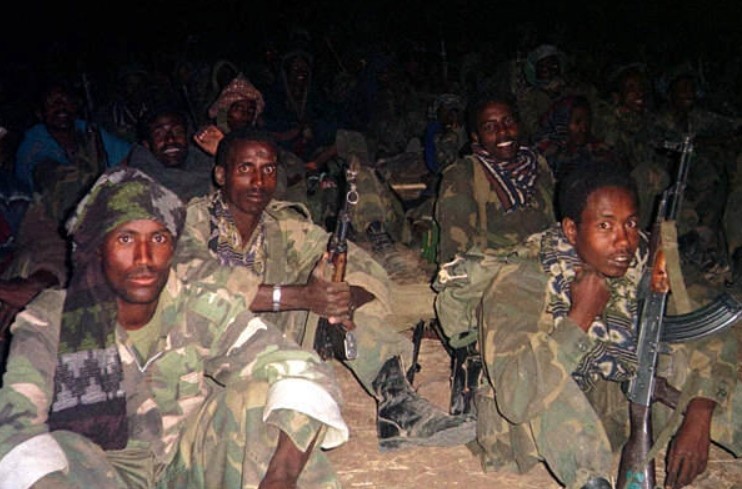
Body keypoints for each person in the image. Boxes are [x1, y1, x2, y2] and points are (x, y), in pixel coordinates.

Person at [0, 166, 348, 488]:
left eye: (158, 239)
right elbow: (15, 431)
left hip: (184, 465)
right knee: (60, 449)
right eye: (125, 239)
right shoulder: (52, 321)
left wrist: (280, 477)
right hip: (101, 472)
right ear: (96, 249)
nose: (144, 258)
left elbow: (302, 367)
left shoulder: (194, 305)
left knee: (257, 399)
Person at [174, 128, 474, 452]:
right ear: (221, 174)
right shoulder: (189, 223)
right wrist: (301, 296)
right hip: (204, 349)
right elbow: (203, 285)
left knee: (340, 304)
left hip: (271, 340)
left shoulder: (280, 225)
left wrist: (347, 297)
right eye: (246, 168)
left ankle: (397, 403)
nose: (259, 181)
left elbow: (355, 260)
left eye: (268, 169)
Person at [472, 162, 740, 489]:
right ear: (572, 230)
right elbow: (516, 395)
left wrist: (700, 411)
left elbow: (714, 330)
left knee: (696, 368)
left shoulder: (648, 265)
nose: (624, 241)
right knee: (548, 372)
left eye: (630, 224)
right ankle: (593, 481)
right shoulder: (523, 279)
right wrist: (580, 318)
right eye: (605, 225)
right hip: (542, 428)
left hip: (618, 410)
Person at [14, 79, 131, 194]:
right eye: (51, 103)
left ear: (75, 106)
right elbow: (56, 180)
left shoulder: (88, 130)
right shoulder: (33, 145)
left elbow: (129, 155)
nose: (60, 106)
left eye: (65, 100)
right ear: (40, 113)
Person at [126, 106, 215, 202]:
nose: (170, 139)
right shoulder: (139, 186)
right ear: (146, 144)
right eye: (159, 134)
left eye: (178, 132)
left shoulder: (209, 164)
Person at [532, 94, 621, 184]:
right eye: (577, 122)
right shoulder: (543, 151)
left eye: (587, 122)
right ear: (563, 121)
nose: (584, 129)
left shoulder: (598, 150)